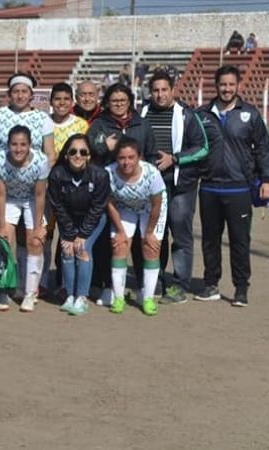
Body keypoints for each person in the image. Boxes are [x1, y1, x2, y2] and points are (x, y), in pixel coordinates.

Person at [196, 65, 269, 307]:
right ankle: (211, 284)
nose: (227, 89)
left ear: (238, 85)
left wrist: (266, 179)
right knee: (210, 241)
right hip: (209, 188)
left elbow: (263, 149)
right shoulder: (202, 114)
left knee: (239, 241)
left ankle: (241, 288)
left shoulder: (250, 114)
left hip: (239, 188)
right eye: (223, 84)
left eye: (231, 84)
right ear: (216, 86)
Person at [139, 71, 209, 304]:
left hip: (181, 186)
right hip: (151, 187)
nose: (160, 95)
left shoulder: (187, 115)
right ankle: (156, 280)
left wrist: (175, 159)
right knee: (154, 233)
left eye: (164, 90)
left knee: (180, 234)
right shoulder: (142, 113)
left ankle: (179, 284)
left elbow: (202, 147)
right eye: (155, 90)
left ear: (172, 90)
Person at [87, 83, 156, 304]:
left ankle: (143, 286)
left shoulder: (142, 124)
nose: (118, 104)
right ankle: (108, 286)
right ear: (107, 103)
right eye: (114, 100)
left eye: (122, 100)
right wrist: (105, 147)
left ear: (130, 101)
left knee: (140, 242)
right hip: (108, 192)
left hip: (139, 192)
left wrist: (146, 175)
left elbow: (151, 154)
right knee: (110, 241)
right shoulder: (99, 124)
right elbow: (90, 148)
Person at [48, 134, 110, 316]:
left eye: (83, 152)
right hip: (68, 217)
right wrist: (68, 234)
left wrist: (82, 234)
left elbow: (98, 208)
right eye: (73, 151)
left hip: (93, 218)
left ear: (89, 155)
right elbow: (57, 206)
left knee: (82, 248)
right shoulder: (57, 174)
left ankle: (82, 297)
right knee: (67, 249)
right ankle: (69, 295)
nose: (78, 156)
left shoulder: (100, 175)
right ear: (66, 155)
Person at [106, 137, 167, 316]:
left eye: (131, 157)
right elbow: (109, 203)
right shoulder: (108, 173)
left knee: (150, 247)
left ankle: (148, 298)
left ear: (139, 157)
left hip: (150, 208)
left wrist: (149, 233)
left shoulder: (152, 174)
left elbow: (157, 205)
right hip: (124, 207)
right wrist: (120, 231)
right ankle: (119, 298)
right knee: (119, 246)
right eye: (122, 158)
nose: (126, 162)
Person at [0, 125, 49, 312]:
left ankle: (30, 293)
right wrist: (1, 224)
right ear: (8, 145)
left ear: (30, 145)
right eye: (14, 144)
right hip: (9, 199)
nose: (18, 149)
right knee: (4, 241)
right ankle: (5, 289)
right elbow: (0, 194)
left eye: (23, 144)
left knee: (35, 242)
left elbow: (40, 195)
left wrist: (38, 225)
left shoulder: (41, 161)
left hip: (31, 198)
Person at [0, 72, 56, 166]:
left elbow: (50, 155)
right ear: (9, 94)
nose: (20, 96)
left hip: (33, 173)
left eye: (24, 91)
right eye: (16, 92)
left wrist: (43, 174)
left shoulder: (43, 118)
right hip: (0, 172)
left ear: (31, 95)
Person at [51, 83, 89, 155]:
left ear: (72, 102)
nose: (62, 103)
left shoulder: (81, 124)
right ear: (50, 102)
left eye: (66, 99)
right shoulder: (44, 122)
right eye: (57, 99)